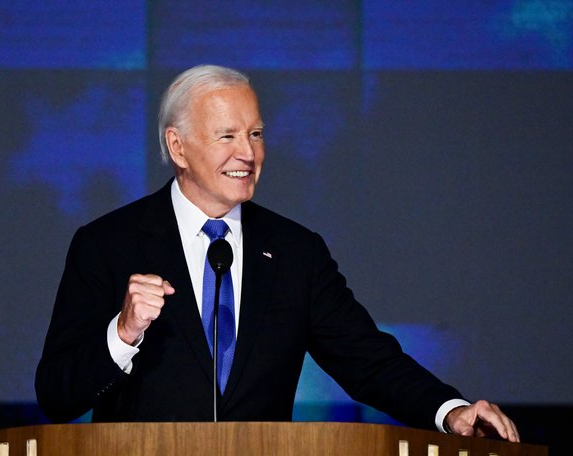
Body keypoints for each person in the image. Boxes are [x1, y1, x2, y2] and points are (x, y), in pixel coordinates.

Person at [35, 64, 519, 442]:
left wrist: (450, 411)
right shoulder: (107, 244)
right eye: (227, 136)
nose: (248, 153)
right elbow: (57, 395)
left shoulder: (295, 253)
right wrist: (122, 333)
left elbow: (368, 360)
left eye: (256, 134)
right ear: (178, 147)